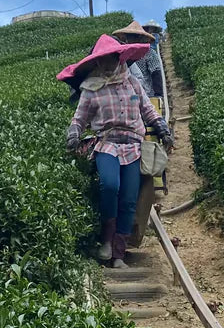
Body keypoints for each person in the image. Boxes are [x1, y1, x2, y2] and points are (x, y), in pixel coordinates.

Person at [58, 35, 174, 267]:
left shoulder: (132, 83)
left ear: (118, 57)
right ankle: (107, 241)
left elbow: (148, 110)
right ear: (97, 63)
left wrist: (162, 127)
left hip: (133, 145)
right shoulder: (91, 89)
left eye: (112, 57)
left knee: (129, 199)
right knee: (110, 185)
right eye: (103, 59)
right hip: (108, 144)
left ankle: (119, 254)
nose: (108, 63)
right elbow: (79, 119)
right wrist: (73, 134)